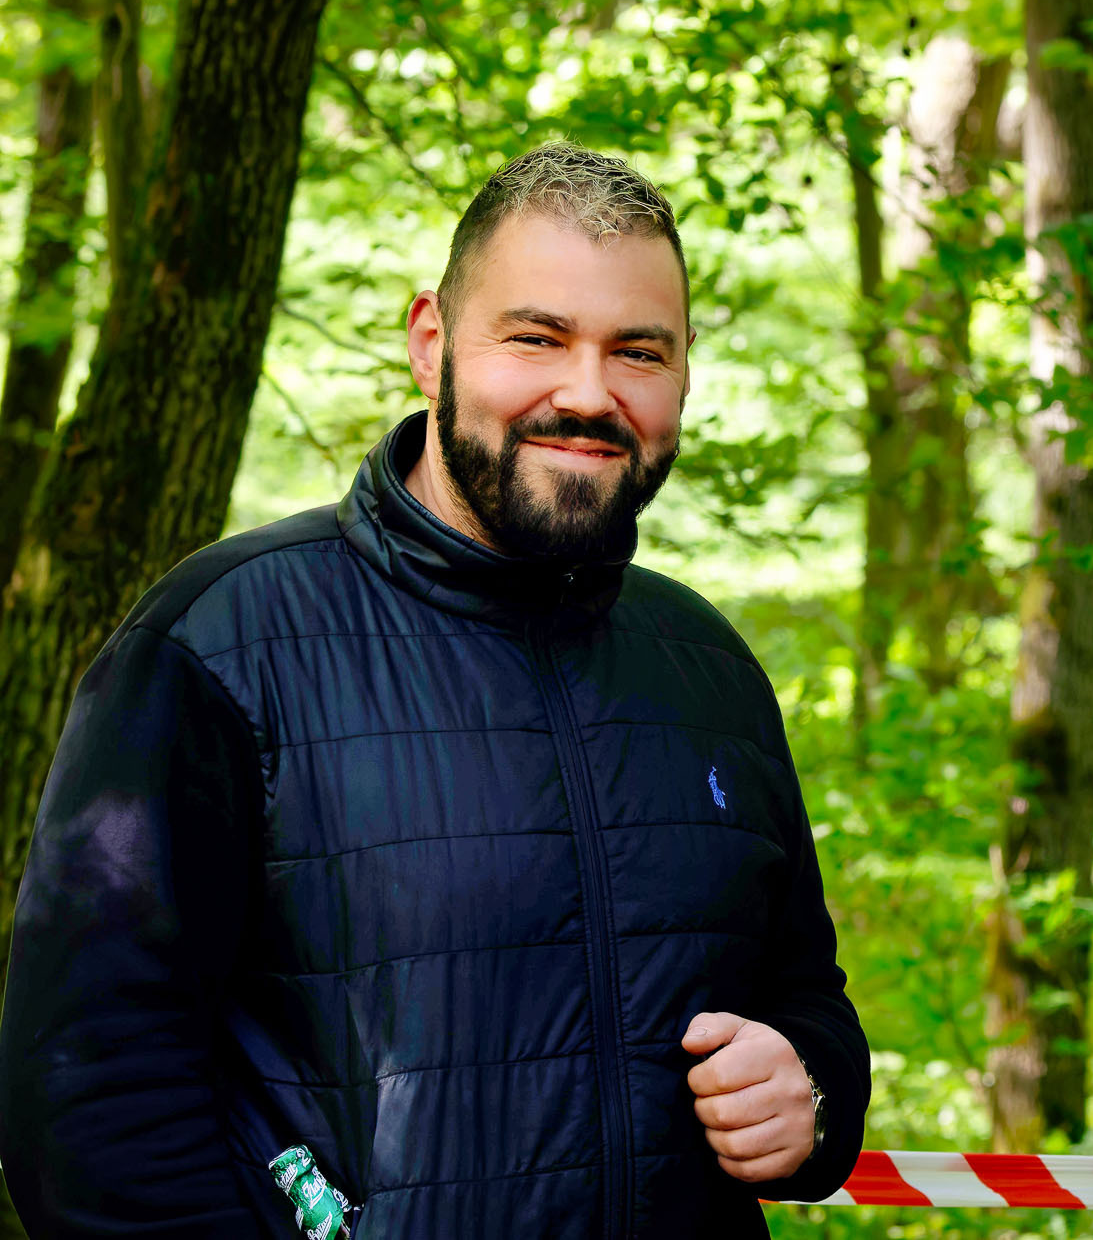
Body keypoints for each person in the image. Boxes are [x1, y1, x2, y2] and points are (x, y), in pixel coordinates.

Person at [0, 143, 869, 1237]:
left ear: (684, 371)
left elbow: (805, 999)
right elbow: (89, 1102)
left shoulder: (708, 670)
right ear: (431, 343)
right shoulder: (221, 645)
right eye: (536, 337)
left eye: (637, 351)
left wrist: (813, 1091)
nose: (587, 393)